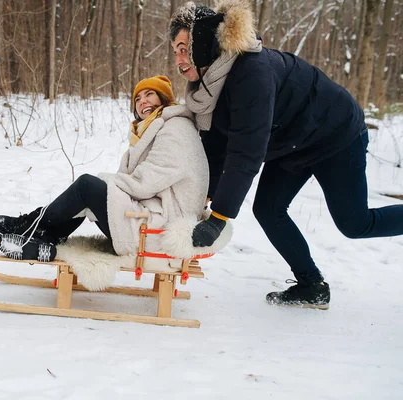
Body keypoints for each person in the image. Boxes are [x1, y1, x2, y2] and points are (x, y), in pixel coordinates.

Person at [167, 0, 403, 309]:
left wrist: (220, 217)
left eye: (185, 48)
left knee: (355, 224)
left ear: (203, 44)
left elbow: (245, 152)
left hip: (335, 134)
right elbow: (217, 145)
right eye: (175, 51)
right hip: (292, 140)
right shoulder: (213, 82)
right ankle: (312, 285)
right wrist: (202, 196)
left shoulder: (251, 73)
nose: (179, 60)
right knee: (268, 209)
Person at [0, 75, 210, 263]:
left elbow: (146, 183)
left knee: (87, 187)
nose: (142, 102)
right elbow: (135, 183)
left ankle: (28, 226)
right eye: (138, 99)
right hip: (149, 217)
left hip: (158, 230)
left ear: (164, 99)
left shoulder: (176, 129)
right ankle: (47, 236)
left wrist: (106, 182)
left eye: (149, 94)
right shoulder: (154, 130)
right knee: (90, 195)